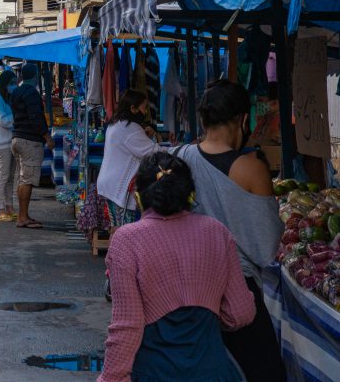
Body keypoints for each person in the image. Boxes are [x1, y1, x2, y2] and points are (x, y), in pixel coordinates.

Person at [100, 151, 255, 382]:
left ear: (140, 197)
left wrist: (110, 378)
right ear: (190, 194)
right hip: (213, 371)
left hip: (154, 372)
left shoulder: (127, 240)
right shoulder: (217, 231)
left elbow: (127, 327)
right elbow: (240, 313)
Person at [173, 80, 285, 382]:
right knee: (264, 372)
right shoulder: (251, 169)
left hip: (188, 287)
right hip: (238, 288)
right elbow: (265, 246)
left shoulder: (180, 157)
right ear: (242, 119)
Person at [97, 90, 163, 227]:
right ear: (133, 108)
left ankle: (116, 248)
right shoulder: (130, 128)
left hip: (110, 184)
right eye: (144, 108)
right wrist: (184, 150)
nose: (145, 113)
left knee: (118, 229)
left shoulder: (117, 124)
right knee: (125, 231)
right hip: (119, 187)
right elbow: (154, 152)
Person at [10, 63, 54, 229]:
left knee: (23, 179)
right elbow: (36, 118)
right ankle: (22, 217)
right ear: (35, 76)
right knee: (27, 180)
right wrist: (47, 137)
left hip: (17, 138)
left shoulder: (17, 91)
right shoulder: (32, 93)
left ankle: (24, 215)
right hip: (29, 141)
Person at [0, 70, 18, 221]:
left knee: (10, 177)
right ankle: (1, 208)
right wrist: (18, 116)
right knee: (4, 175)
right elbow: (3, 120)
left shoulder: (8, 99)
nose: (14, 86)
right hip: (3, 143)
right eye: (12, 83)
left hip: (12, 141)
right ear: (5, 84)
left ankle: (9, 206)